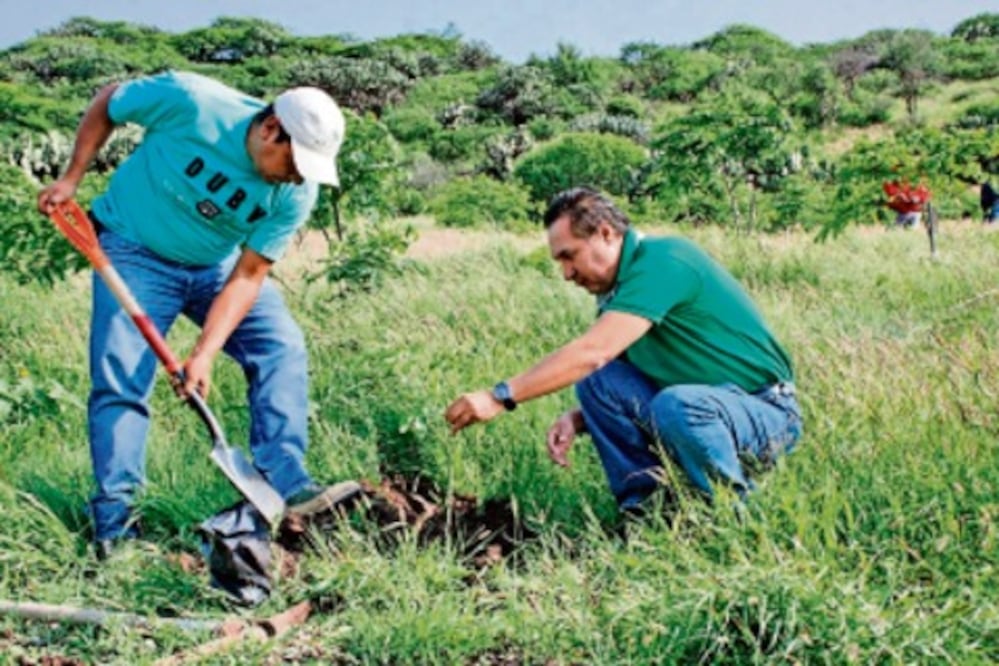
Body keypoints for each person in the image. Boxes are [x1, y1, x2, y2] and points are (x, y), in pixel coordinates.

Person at [37, 70, 360, 558]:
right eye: (295, 162)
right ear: (271, 128)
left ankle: (287, 481)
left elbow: (249, 275)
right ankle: (116, 523)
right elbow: (108, 101)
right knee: (122, 377)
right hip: (135, 252)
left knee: (280, 346)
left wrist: (204, 352)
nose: (297, 176)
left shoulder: (297, 192)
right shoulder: (192, 103)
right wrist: (71, 177)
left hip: (217, 266)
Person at [445, 188, 802, 512]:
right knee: (597, 382)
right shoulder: (617, 291)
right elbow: (612, 375)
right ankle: (650, 514)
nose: (566, 273)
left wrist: (500, 396)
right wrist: (577, 418)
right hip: (704, 409)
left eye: (570, 256)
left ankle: (733, 513)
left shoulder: (664, 261)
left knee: (675, 404)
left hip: (766, 413)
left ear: (606, 233)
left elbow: (593, 352)